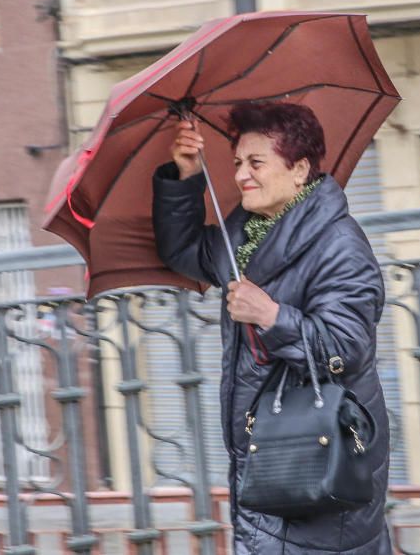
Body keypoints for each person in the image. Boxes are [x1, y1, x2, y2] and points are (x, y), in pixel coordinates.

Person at [152, 101, 391, 554]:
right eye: (238, 162)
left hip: (319, 453)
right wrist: (185, 176)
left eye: (257, 163)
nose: (242, 174)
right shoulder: (246, 232)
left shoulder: (339, 244)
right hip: (271, 451)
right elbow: (183, 251)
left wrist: (270, 315)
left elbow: (346, 348)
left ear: (299, 169)